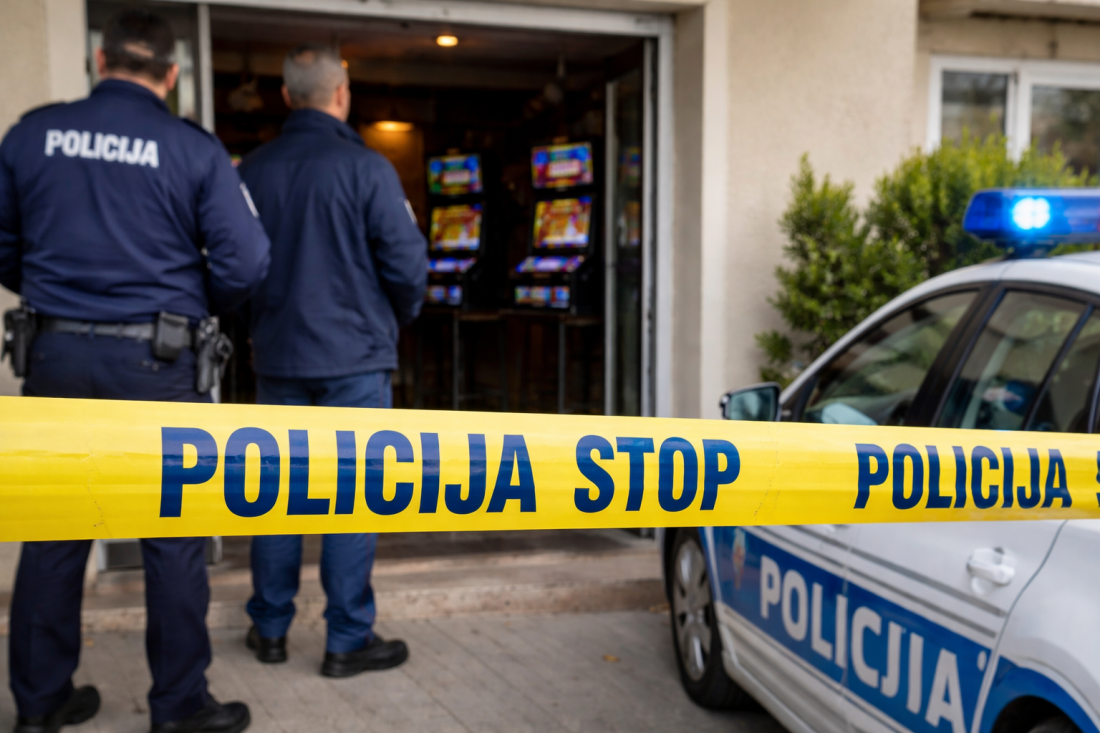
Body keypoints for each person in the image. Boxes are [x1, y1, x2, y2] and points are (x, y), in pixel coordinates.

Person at [0, 8, 271, 733]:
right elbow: (247, 260)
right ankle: (178, 707)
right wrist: (185, 304)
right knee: (172, 537)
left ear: (101, 60)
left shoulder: (33, 134)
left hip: (54, 356)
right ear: (172, 74)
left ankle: (40, 705)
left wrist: (57, 296)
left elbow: (2, 244)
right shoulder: (192, 148)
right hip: (159, 362)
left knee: (54, 531)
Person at [237, 43, 426, 678]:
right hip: (355, 360)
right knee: (353, 495)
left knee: (276, 495)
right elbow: (408, 266)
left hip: (279, 359)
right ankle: (346, 639)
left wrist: (258, 325)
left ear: (286, 97)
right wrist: (389, 321)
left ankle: (270, 629)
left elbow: (232, 265)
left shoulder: (252, 170)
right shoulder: (367, 168)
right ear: (342, 94)